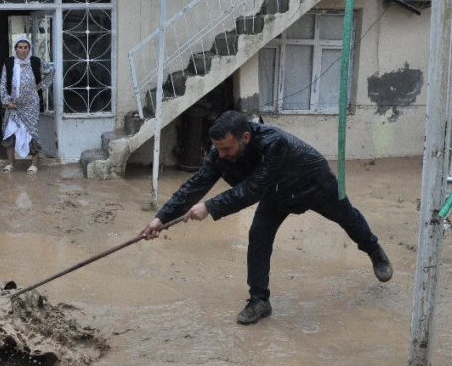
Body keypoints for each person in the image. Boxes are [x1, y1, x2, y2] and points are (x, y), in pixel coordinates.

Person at [140, 110, 393, 325]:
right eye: (217, 149)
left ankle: (374, 251)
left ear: (246, 138)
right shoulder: (220, 153)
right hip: (276, 194)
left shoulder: (274, 143)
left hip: (314, 185)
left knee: (348, 219)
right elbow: (196, 183)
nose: (222, 155)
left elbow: (251, 190)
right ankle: (259, 300)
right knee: (258, 236)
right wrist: (160, 219)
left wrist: (210, 207)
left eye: (227, 148)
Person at [0, 37, 54, 174]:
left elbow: (51, 70)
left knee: (32, 132)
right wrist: (6, 101)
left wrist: (40, 86)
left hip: (30, 105)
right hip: (13, 105)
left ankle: (34, 164)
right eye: (20, 47)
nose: (23, 50)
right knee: (9, 133)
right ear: (15, 49)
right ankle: (11, 163)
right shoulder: (9, 63)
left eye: (26, 47)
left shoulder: (35, 62)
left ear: (29, 49)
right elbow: (3, 84)